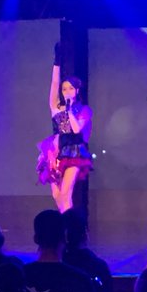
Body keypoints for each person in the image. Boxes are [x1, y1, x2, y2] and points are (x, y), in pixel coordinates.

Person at [38, 42, 93, 213]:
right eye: (64, 89)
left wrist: (69, 110)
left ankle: (69, 226)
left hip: (74, 151)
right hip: (56, 150)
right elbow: (55, 82)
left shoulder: (84, 110)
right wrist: (57, 62)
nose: (67, 91)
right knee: (57, 195)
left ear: (77, 91)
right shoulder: (55, 106)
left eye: (70, 88)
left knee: (66, 193)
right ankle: (66, 222)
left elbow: (76, 130)